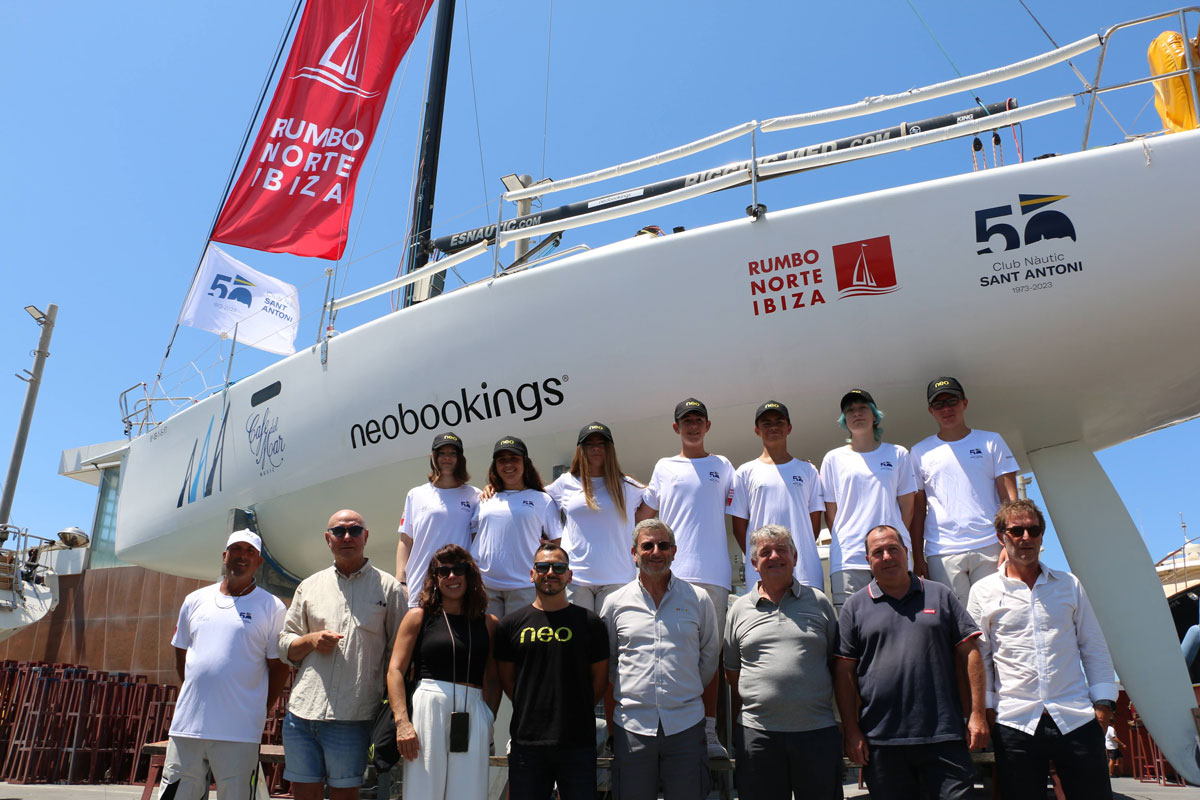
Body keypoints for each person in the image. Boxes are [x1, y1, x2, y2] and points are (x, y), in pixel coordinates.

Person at [967, 499, 1118, 799]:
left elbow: (1094, 646)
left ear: (1041, 536)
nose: (1026, 538)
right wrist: (986, 709)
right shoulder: (982, 592)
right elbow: (980, 657)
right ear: (1001, 537)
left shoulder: (1069, 585)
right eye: (1017, 530)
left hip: (1075, 716)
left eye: (1033, 530)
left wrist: (1103, 706)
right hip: (1015, 721)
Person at [834, 525, 988, 800]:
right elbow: (844, 672)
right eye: (878, 552)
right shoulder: (854, 607)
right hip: (881, 742)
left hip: (944, 737)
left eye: (893, 549)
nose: (887, 557)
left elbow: (971, 653)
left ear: (906, 552)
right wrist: (851, 729)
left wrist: (977, 714)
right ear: (868, 560)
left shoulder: (940, 595)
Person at [278, 510, 407, 800]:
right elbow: (285, 643)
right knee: (304, 793)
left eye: (354, 530)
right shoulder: (309, 587)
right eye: (338, 531)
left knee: (344, 795)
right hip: (302, 713)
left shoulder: (388, 589)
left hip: (354, 716)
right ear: (328, 539)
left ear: (366, 536)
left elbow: (397, 654)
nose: (346, 536)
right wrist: (310, 640)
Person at [160, 530, 289, 800]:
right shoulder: (195, 600)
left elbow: (279, 668)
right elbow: (181, 654)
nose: (241, 556)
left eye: (249, 551)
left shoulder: (272, 606)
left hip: (239, 732)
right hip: (188, 728)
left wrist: (258, 710)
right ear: (224, 556)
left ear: (259, 561)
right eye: (235, 549)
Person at [636, 398, 733, 756]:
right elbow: (644, 515)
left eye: (698, 420)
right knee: (671, 654)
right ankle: (663, 732)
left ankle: (707, 731)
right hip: (673, 574)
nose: (692, 426)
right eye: (685, 421)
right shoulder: (663, 467)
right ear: (676, 428)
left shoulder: (723, 466)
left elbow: (750, 495)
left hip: (714, 575)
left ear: (708, 426)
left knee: (710, 656)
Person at [602, 519, 719, 800]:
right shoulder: (615, 603)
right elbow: (609, 663)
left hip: (686, 727)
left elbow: (709, 657)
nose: (656, 551)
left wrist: (684, 689)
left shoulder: (699, 599)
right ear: (634, 553)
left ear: (674, 551)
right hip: (632, 728)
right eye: (647, 545)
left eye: (663, 545)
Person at [724, 524, 840, 800]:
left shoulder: (819, 602)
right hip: (758, 735)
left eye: (781, 550)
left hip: (817, 732)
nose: (774, 556)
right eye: (766, 552)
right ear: (754, 562)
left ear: (795, 557)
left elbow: (835, 666)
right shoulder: (739, 609)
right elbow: (732, 672)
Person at [494, 542, 610, 799]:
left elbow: (600, 681)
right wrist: (531, 706)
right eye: (543, 566)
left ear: (569, 575)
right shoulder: (511, 625)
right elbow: (508, 681)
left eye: (559, 567)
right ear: (532, 573)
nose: (551, 572)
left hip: (578, 744)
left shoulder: (590, 623)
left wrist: (577, 708)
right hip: (527, 743)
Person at [387, 544, 500, 800]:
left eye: (459, 569)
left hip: (473, 709)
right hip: (429, 703)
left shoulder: (489, 624)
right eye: (443, 571)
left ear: (469, 575)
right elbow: (395, 671)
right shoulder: (418, 617)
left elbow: (493, 678)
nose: (452, 576)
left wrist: (488, 718)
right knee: (423, 791)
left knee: (470, 793)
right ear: (434, 578)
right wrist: (402, 722)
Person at [911, 377, 1019, 605]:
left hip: (990, 545)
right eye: (939, 405)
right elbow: (918, 510)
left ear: (965, 403)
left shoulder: (991, 441)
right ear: (931, 411)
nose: (946, 409)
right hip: (942, 552)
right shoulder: (919, 452)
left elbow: (1009, 499)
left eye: (952, 401)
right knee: (957, 626)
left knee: (998, 616)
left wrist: (1010, 543)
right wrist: (917, 556)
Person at [820, 389, 917, 610]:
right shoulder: (833, 459)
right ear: (845, 420)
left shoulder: (898, 454)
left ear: (875, 415)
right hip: (849, 558)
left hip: (892, 556)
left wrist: (893, 545)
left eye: (862, 408)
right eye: (850, 411)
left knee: (900, 622)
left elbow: (907, 509)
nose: (856, 414)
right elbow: (831, 512)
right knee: (852, 629)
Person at [545, 422, 644, 613]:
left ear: (610, 449)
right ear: (581, 450)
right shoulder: (566, 482)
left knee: (613, 640)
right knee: (580, 640)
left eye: (601, 444)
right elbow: (534, 499)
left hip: (618, 579)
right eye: (590, 444)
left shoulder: (627, 486)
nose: (596, 449)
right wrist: (493, 489)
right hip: (576, 578)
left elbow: (656, 500)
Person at [727, 401, 825, 591]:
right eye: (766, 423)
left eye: (779, 422)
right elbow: (739, 528)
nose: (773, 427)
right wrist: (762, 558)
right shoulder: (745, 472)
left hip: (805, 572)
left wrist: (795, 555)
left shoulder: (808, 470)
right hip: (762, 575)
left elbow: (813, 525)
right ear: (757, 430)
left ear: (788, 428)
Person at [471, 436, 563, 618]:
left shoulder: (542, 500)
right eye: (502, 460)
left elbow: (557, 543)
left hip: (525, 587)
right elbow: (475, 537)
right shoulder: (485, 498)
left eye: (514, 459)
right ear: (495, 466)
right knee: (489, 643)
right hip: (485, 587)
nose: (508, 465)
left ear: (525, 463)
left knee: (521, 644)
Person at [396, 432, 480, 607]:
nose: (447, 458)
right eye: (442, 453)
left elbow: (477, 541)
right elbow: (405, 540)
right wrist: (400, 580)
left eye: (452, 453)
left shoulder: (475, 495)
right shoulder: (416, 494)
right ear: (432, 457)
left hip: (457, 586)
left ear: (460, 458)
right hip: (420, 585)